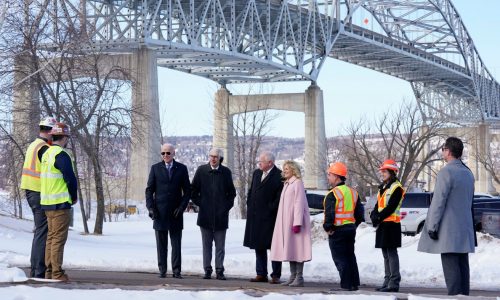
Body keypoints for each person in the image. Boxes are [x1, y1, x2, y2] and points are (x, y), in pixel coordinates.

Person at [418, 137, 476, 296]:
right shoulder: (468, 173)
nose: (442, 152)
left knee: (452, 273)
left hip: (449, 231)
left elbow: (438, 201)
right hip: (464, 230)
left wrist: (432, 226)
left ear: (448, 151)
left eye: (443, 149)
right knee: (463, 269)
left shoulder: (446, 172)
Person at [146, 143, 191, 279]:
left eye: (168, 153)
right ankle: (163, 270)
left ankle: (176, 271)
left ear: (173, 153)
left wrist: (182, 208)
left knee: (176, 245)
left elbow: (188, 191)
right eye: (163, 153)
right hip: (159, 213)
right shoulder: (155, 169)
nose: (165, 155)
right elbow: (149, 190)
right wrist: (151, 208)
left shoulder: (182, 169)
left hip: (175, 213)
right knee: (161, 245)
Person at [20, 117, 57, 278]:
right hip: (38, 192)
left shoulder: (34, 145)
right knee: (43, 232)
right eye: (54, 132)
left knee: (39, 232)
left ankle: (36, 268)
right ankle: (38, 271)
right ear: (49, 131)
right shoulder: (43, 148)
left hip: (31, 191)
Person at [40, 122, 77, 282]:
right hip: (60, 203)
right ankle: (57, 273)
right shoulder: (61, 155)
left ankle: (49, 271)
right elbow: (70, 178)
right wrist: (73, 196)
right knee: (58, 239)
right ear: (64, 137)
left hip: (47, 203)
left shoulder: (46, 154)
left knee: (51, 237)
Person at [191, 148, 236, 280]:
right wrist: (201, 203)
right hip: (205, 216)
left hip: (221, 217)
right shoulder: (201, 171)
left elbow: (232, 193)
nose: (213, 158)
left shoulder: (226, 172)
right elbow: (193, 190)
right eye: (211, 156)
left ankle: (219, 270)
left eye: (216, 156)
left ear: (220, 158)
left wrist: (225, 207)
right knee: (206, 245)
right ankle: (207, 270)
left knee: (220, 246)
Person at [243, 151, 283, 284]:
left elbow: (279, 197)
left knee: (274, 246)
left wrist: (270, 209)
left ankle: (276, 275)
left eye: (261, 161)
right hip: (255, 216)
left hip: (270, 218)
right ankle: (261, 273)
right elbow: (251, 191)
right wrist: (250, 203)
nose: (259, 163)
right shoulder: (257, 173)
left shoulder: (279, 175)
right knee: (258, 245)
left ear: (270, 163)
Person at [270, 160, 312, 287]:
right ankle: (293, 276)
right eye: (284, 168)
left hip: (294, 222)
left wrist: (297, 222)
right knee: (290, 249)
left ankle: (299, 277)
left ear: (293, 170)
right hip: (286, 223)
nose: (285, 170)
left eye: (287, 168)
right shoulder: (287, 184)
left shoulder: (297, 183)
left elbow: (299, 203)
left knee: (298, 249)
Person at [323, 162, 364, 292]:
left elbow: (330, 212)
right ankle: (353, 283)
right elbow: (359, 214)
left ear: (336, 176)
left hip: (337, 230)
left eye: (329, 175)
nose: (328, 177)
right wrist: (353, 225)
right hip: (350, 229)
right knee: (350, 256)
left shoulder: (333, 194)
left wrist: (328, 227)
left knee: (340, 258)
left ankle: (346, 285)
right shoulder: (353, 192)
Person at [370, 159, 405, 292]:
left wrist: (378, 217)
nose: (382, 174)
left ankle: (394, 283)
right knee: (386, 254)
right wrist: (374, 215)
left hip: (392, 225)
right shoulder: (383, 188)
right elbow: (377, 205)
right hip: (383, 225)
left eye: (384, 171)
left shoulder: (397, 187)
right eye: (382, 171)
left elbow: (391, 207)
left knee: (391, 253)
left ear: (392, 172)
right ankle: (387, 281)